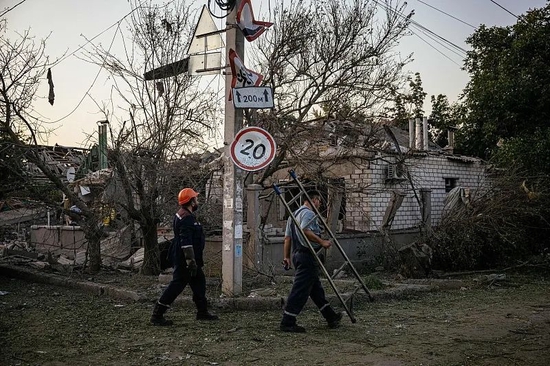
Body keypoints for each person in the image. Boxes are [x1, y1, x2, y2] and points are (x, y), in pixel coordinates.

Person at [150, 188, 219, 326]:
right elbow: (186, 242)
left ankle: (202, 312)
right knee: (176, 285)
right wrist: (191, 262)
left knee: (199, 282)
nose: (197, 201)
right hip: (186, 260)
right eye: (196, 198)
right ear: (191, 201)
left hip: (189, 259)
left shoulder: (183, 214)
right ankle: (157, 314)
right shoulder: (187, 218)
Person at [280, 190, 342, 333]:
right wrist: (322, 241)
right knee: (300, 290)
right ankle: (287, 321)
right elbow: (305, 230)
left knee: (315, 290)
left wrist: (287, 257)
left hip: (297, 254)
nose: (319, 204)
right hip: (307, 255)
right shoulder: (308, 213)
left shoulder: (293, 215)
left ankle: (331, 317)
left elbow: (287, 238)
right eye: (319, 201)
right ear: (313, 200)